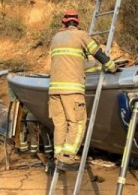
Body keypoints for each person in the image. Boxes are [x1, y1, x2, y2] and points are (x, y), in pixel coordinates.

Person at [48, 9, 119, 171]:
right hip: (72, 90)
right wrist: (112, 67)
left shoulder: (55, 39)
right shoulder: (81, 35)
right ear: (77, 22)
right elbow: (99, 54)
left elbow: (68, 62)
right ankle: (67, 158)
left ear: (63, 22)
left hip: (54, 91)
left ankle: (58, 156)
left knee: (60, 125)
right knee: (78, 122)